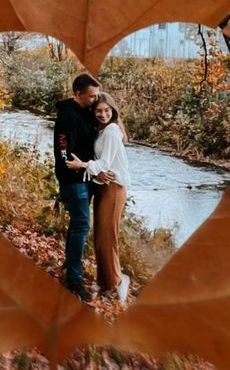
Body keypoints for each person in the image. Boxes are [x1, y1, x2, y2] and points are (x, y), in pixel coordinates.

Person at [53, 74, 115, 301]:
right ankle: (75, 280)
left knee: (77, 225)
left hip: (86, 178)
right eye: (91, 96)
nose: (95, 99)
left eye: (96, 94)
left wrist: (94, 170)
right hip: (73, 180)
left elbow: (107, 125)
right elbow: (62, 148)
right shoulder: (67, 115)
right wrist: (74, 170)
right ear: (78, 94)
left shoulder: (87, 113)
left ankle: (70, 267)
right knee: (81, 226)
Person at [66, 92, 130, 303]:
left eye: (107, 111)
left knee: (107, 237)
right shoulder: (101, 130)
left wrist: (82, 165)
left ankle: (116, 284)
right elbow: (101, 163)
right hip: (103, 187)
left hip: (113, 188)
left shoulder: (111, 131)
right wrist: (95, 169)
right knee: (101, 237)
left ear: (113, 111)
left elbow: (103, 164)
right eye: (99, 111)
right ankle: (105, 282)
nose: (103, 114)